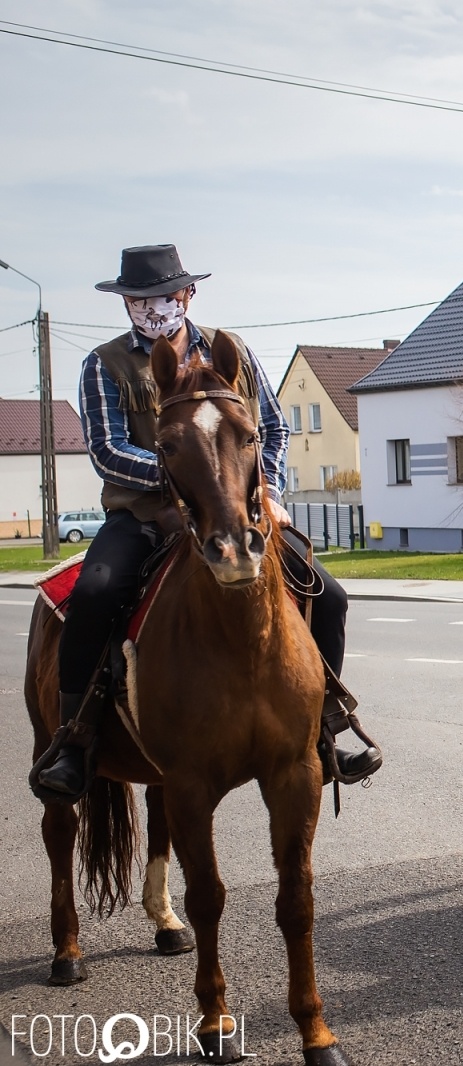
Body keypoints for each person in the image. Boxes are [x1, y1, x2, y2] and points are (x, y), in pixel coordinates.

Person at [31, 244, 380, 802]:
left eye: (164, 296)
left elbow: (271, 426)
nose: (152, 309)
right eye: (138, 300)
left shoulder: (231, 349)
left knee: (330, 597)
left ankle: (325, 724)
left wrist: (264, 493)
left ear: (187, 294)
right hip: (144, 516)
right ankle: (76, 739)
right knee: (95, 593)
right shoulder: (105, 363)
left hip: (235, 512)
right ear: (125, 304)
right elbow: (106, 450)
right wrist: (187, 474)